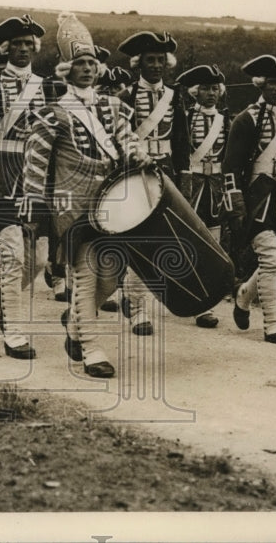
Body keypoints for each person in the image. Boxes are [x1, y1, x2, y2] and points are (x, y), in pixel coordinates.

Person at [23, 15, 146, 377]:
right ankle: (91, 350)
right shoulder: (52, 113)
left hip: (112, 203)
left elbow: (129, 142)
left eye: (92, 63)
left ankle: (76, 327)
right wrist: (32, 202)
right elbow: (35, 161)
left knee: (112, 274)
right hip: (71, 203)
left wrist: (138, 156)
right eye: (80, 64)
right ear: (66, 71)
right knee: (86, 275)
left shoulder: (114, 108)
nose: (88, 69)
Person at [0, 15, 57, 360]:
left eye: (28, 44)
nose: (23, 49)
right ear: (6, 49)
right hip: (1, 176)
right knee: (11, 254)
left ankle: (7, 298)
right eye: (16, 44)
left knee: (37, 260)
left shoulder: (46, 86)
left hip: (36, 177)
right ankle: (15, 331)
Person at [113, 31, 190, 335]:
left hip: (167, 170)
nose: (156, 65)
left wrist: (183, 175)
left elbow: (181, 141)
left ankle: (138, 298)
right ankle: (137, 306)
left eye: (161, 60)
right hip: (136, 171)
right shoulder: (124, 98)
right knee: (140, 237)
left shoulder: (175, 96)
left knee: (163, 236)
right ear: (138, 63)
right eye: (150, 60)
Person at [223, 53, 276, 344]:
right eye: (272, 83)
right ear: (260, 85)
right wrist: (235, 200)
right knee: (269, 258)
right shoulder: (247, 119)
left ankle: (243, 296)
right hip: (258, 195)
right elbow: (230, 165)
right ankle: (272, 323)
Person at [173, 64, 243, 329]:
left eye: (215, 88)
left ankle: (207, 304)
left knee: (214, 242)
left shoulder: (225, 119)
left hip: (215, 184)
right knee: (189, 239)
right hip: (192, 181)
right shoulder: (187, 116)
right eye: (205, 88)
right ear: (195, 92)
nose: (211, 93)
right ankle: (189, 295)